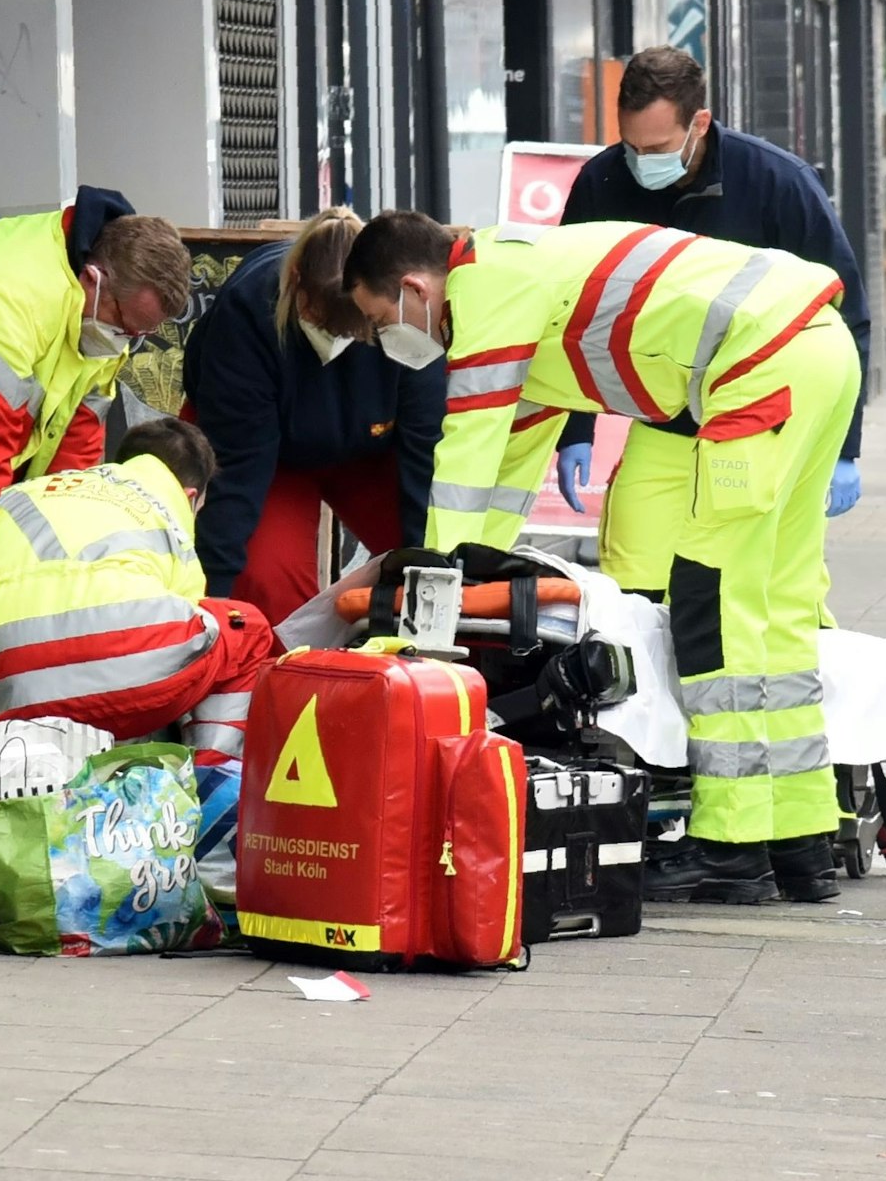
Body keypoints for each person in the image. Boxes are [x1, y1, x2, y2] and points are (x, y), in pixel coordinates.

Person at [344, 212, 860, 906]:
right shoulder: (525, 281)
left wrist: (426, 610)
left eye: (382, 320)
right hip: (817, 351)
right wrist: (478, 574)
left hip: (759, 368)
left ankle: (732, 848)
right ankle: (802, 841)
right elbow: (505, 472)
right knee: (778, 603)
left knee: (713, 604)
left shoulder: (485, 289)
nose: (388, 340)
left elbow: (463, 460)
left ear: (414, 287)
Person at [554, 47, 870, 593]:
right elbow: (571, 311)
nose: (638, 160)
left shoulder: (777, 183)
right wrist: (574, 429)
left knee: (754, 581)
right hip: (664, 417)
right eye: (629, 145)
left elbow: (847, 313)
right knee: (632, 572)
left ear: (699, 123)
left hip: (762, 421)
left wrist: (844, 446)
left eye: (655, 147)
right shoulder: (602, 185)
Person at [0, 189, 191, 757]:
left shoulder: (102, 307)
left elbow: (78, 433)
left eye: (144, 335)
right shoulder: (5, 291)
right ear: (94, 279)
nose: (131, 343)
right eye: (129, 326)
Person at [0, 420, 275, 769]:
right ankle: (210, 789)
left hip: (11, 686)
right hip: (123, 668)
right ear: (190, 496)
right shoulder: (167, 517)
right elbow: (175, 662)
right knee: (244, 627)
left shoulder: (17, 498)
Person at [182, 208, 445, 622]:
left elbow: (426, 452)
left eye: (355, 330)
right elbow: (236, 473)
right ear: (296, 286)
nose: (336, 341)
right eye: (324, 325)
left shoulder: (401, 314)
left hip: (372, 449)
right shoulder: (247, 313)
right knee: (269, 581)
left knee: (430, 547)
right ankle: (279, 673)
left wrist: (430, 585)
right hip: (266, 457)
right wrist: (210, 602)